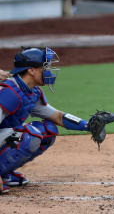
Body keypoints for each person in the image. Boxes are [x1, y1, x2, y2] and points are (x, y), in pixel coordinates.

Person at [0, 47, 103, 194]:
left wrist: (88, 126)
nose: (49, 71)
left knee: (48, 131)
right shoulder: (9, 93)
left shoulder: (31, 92)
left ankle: (5, 173)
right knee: (30, 135)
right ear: (31, 70)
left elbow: (58, 117)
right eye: (45, 67)